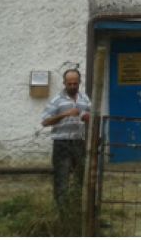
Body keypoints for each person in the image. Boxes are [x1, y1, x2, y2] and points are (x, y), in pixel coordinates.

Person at [41, 68, 91, 210]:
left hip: (79, 142)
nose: (73, 86)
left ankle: (77, 209)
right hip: (62, 143)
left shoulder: (84, 98)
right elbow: (45, 121)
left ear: (80, 82)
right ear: (64, 83)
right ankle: (61, 211)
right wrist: (65, 114)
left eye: (75, 83)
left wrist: (88, 117)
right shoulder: (57, 100)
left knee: (81, 178)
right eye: (69, 84)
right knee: (62, 178)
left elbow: (90, 115)